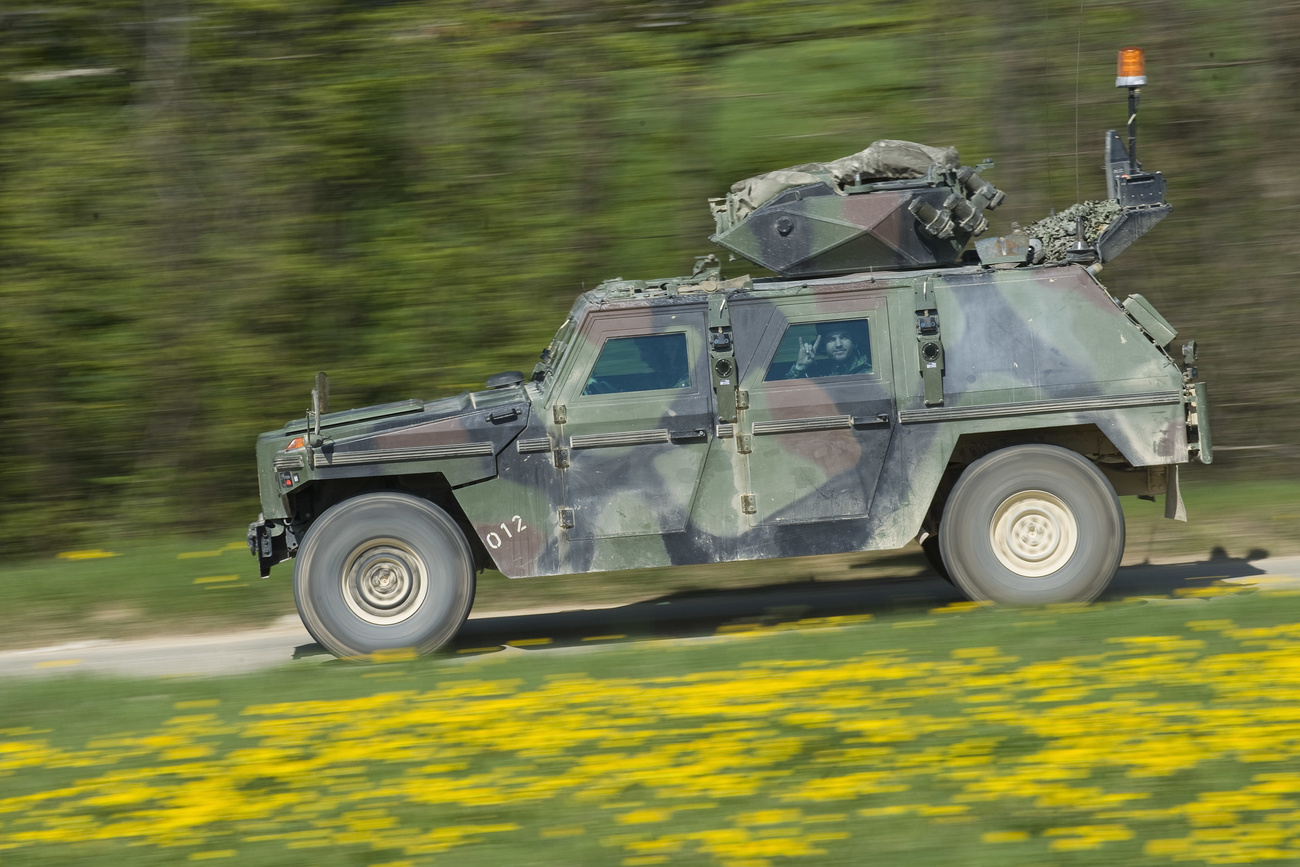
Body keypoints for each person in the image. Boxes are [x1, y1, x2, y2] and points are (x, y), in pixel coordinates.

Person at [786, 323, 870, 379]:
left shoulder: (869, 373)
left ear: (854, 342)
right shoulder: (820, 374)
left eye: (844, 337)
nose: (838, 344)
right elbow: (783, 397)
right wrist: (800, 366)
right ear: (823, 346)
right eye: (831, 340)